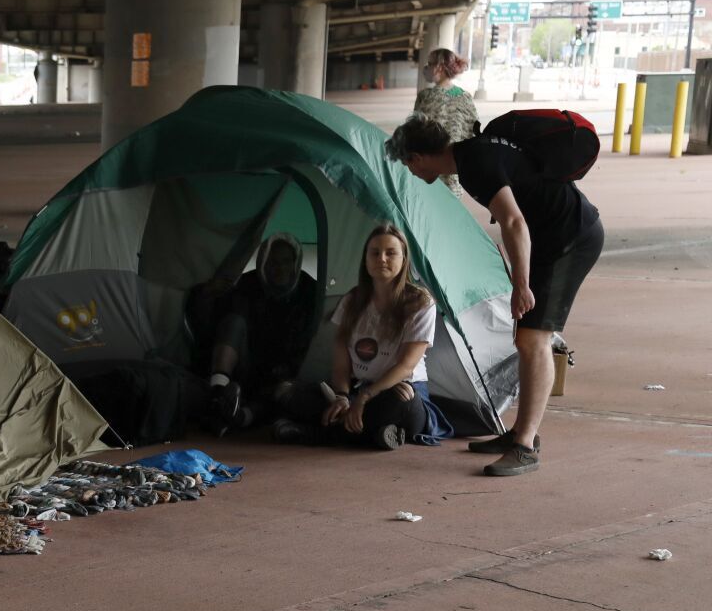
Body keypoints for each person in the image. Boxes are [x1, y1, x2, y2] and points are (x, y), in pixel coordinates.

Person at [387, 114, 603, 476]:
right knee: (525, 337)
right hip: (554, 238)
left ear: (418, 157)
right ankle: (520, 432)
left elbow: (514, 222)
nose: (409, 171)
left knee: (535, 339)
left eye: (407, 163)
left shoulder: (474, 164)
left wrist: (521, 285)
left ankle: (525, 447)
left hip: (572, 239)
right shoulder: (474, 155)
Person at [272, 224, 451, 450]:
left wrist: (364, 398)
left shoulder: (420, 303)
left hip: (399, 391)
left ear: (404, 259)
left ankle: (316, 434)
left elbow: (406, 366)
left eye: (391, 253)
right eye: (374, 252)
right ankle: (377, 434)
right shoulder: (352, 300)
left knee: (402, 398)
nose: (382, 258)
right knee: (288, 391)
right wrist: (342, 396)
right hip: (360, 390)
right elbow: (341, 362)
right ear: (365, 259)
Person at [203, 233, 317, 434]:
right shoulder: (248, 284)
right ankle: (218, 392)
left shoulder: (310, 290)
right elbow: (227, 325)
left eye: (286, 262)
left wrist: (287, 370)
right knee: (233, 321)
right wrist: (208, 294)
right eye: (273, 262)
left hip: (286, 370)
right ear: (263, 262)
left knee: (283, 391)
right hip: (246, 363)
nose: (279, 268)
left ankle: (240, 417)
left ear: (295, 263)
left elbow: (308, 338)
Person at [411, 48, 479, 190]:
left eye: (429, 64)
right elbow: (473, 132)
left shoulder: (426, 96)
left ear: (439, 67)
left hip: (427, 172)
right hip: (455, 173)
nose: (426, 68)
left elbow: (413, 134)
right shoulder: (465, 96)